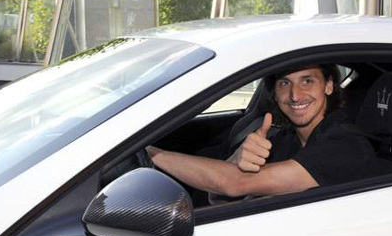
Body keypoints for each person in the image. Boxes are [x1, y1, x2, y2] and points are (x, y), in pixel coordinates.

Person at [148, 65, 376, 199]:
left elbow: (235, 184)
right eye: (284, 83)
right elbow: (218, 198)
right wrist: (237, 159)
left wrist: (152, 154)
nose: (295, 95)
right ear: (274, 92)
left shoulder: (345, 145)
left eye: (307, 81)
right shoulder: (284, 139)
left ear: (328, 85)